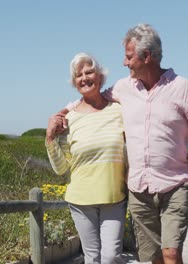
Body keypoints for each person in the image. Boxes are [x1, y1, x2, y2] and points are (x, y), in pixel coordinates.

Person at [60, 24, 188, 264]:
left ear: (147, 57)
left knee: (171, 254)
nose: (125, 63)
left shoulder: (182, 87)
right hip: (138, 190)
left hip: (174, 186)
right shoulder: (124, 88)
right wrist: (63, 112)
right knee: (152, 258)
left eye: (128, 56)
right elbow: (93, 97)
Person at [45, 52, 127, 264]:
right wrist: (50, 138)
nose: (84, 78)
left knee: (110, 257)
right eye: (79, 75)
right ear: (75, 83)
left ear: (100, 77)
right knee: (92, 258)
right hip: (81, 200)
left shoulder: (118, 110)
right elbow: (61, 168)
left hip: (114, 196)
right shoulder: (68, 120)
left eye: (89, 72)